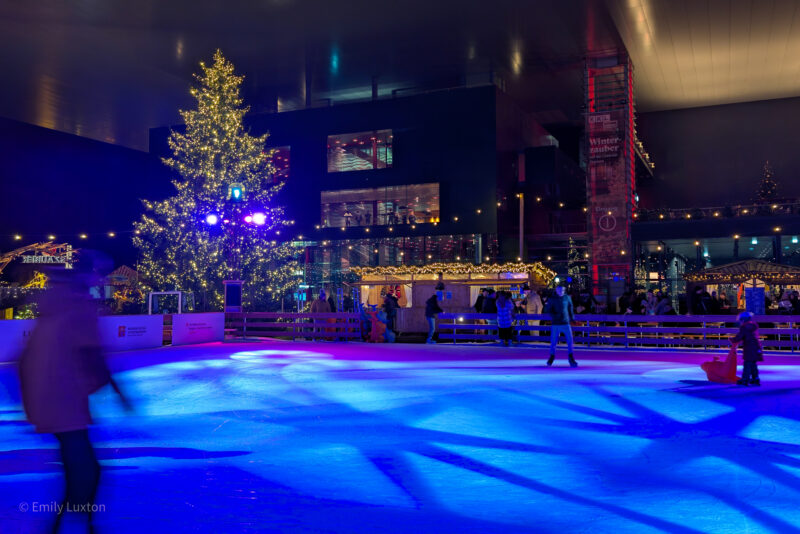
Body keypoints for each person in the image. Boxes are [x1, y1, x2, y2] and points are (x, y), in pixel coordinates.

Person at [18, 261, 130, 534]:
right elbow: (93, 356)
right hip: (65, 400)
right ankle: (81, 523)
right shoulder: (79, 308)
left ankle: (68, 524)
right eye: (97, 276)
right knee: (87, 472)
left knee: (79, 469)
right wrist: (117, 392)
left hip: (48, 398)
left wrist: (32, 400)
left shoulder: (53, 308)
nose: (99, 282)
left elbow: (24, 360)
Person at [544, 286, 577, 367]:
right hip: (556, 324)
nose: (561, 291)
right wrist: (554, 316)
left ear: (564, 290)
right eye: (559, 290)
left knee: (570, 341)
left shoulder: (567, 298)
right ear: (556, 290)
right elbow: (549, 310)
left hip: (566, 323)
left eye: (562, 290)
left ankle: (571, 357)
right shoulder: (552, 299)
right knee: (553, 341)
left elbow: (570, 307)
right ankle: (552, 356)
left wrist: (572, 317)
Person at [732, 311, 763, 386]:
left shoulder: (744, 327)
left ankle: (745, 379)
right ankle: (755, 378)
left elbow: (740, 336)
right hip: (756, 347)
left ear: (743, 319)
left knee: (747, 364)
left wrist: (733, 339)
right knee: (753, 364)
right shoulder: (753, 325)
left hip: (749, 347)